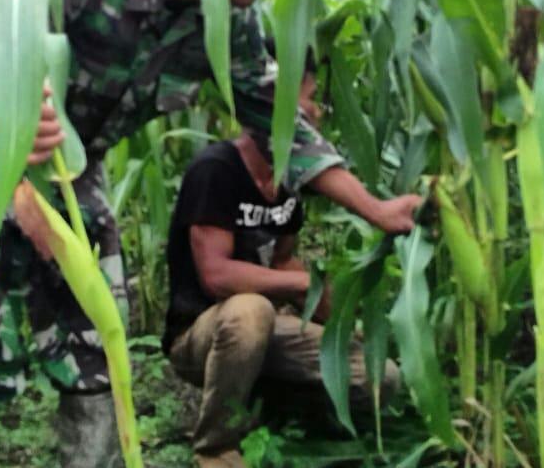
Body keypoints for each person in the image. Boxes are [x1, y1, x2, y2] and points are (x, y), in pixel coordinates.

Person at [0, 0, 421, 468]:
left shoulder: (228, 22)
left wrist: (376, 210)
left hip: (75, 169)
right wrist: (4, 111)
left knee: (101, 338)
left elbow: (279, 120)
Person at [164, 54, 413, 468]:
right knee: (250, 311)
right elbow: (216, 275)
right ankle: (215, 449)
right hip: (200, 333)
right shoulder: (215, 171)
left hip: (262, 332)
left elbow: (283, 260)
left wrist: (337, 324)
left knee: (377, 378)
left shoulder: (290, 182)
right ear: (274, 107)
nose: (316, 113)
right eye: (310, 99)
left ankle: (273, 415)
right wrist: (300, 287)